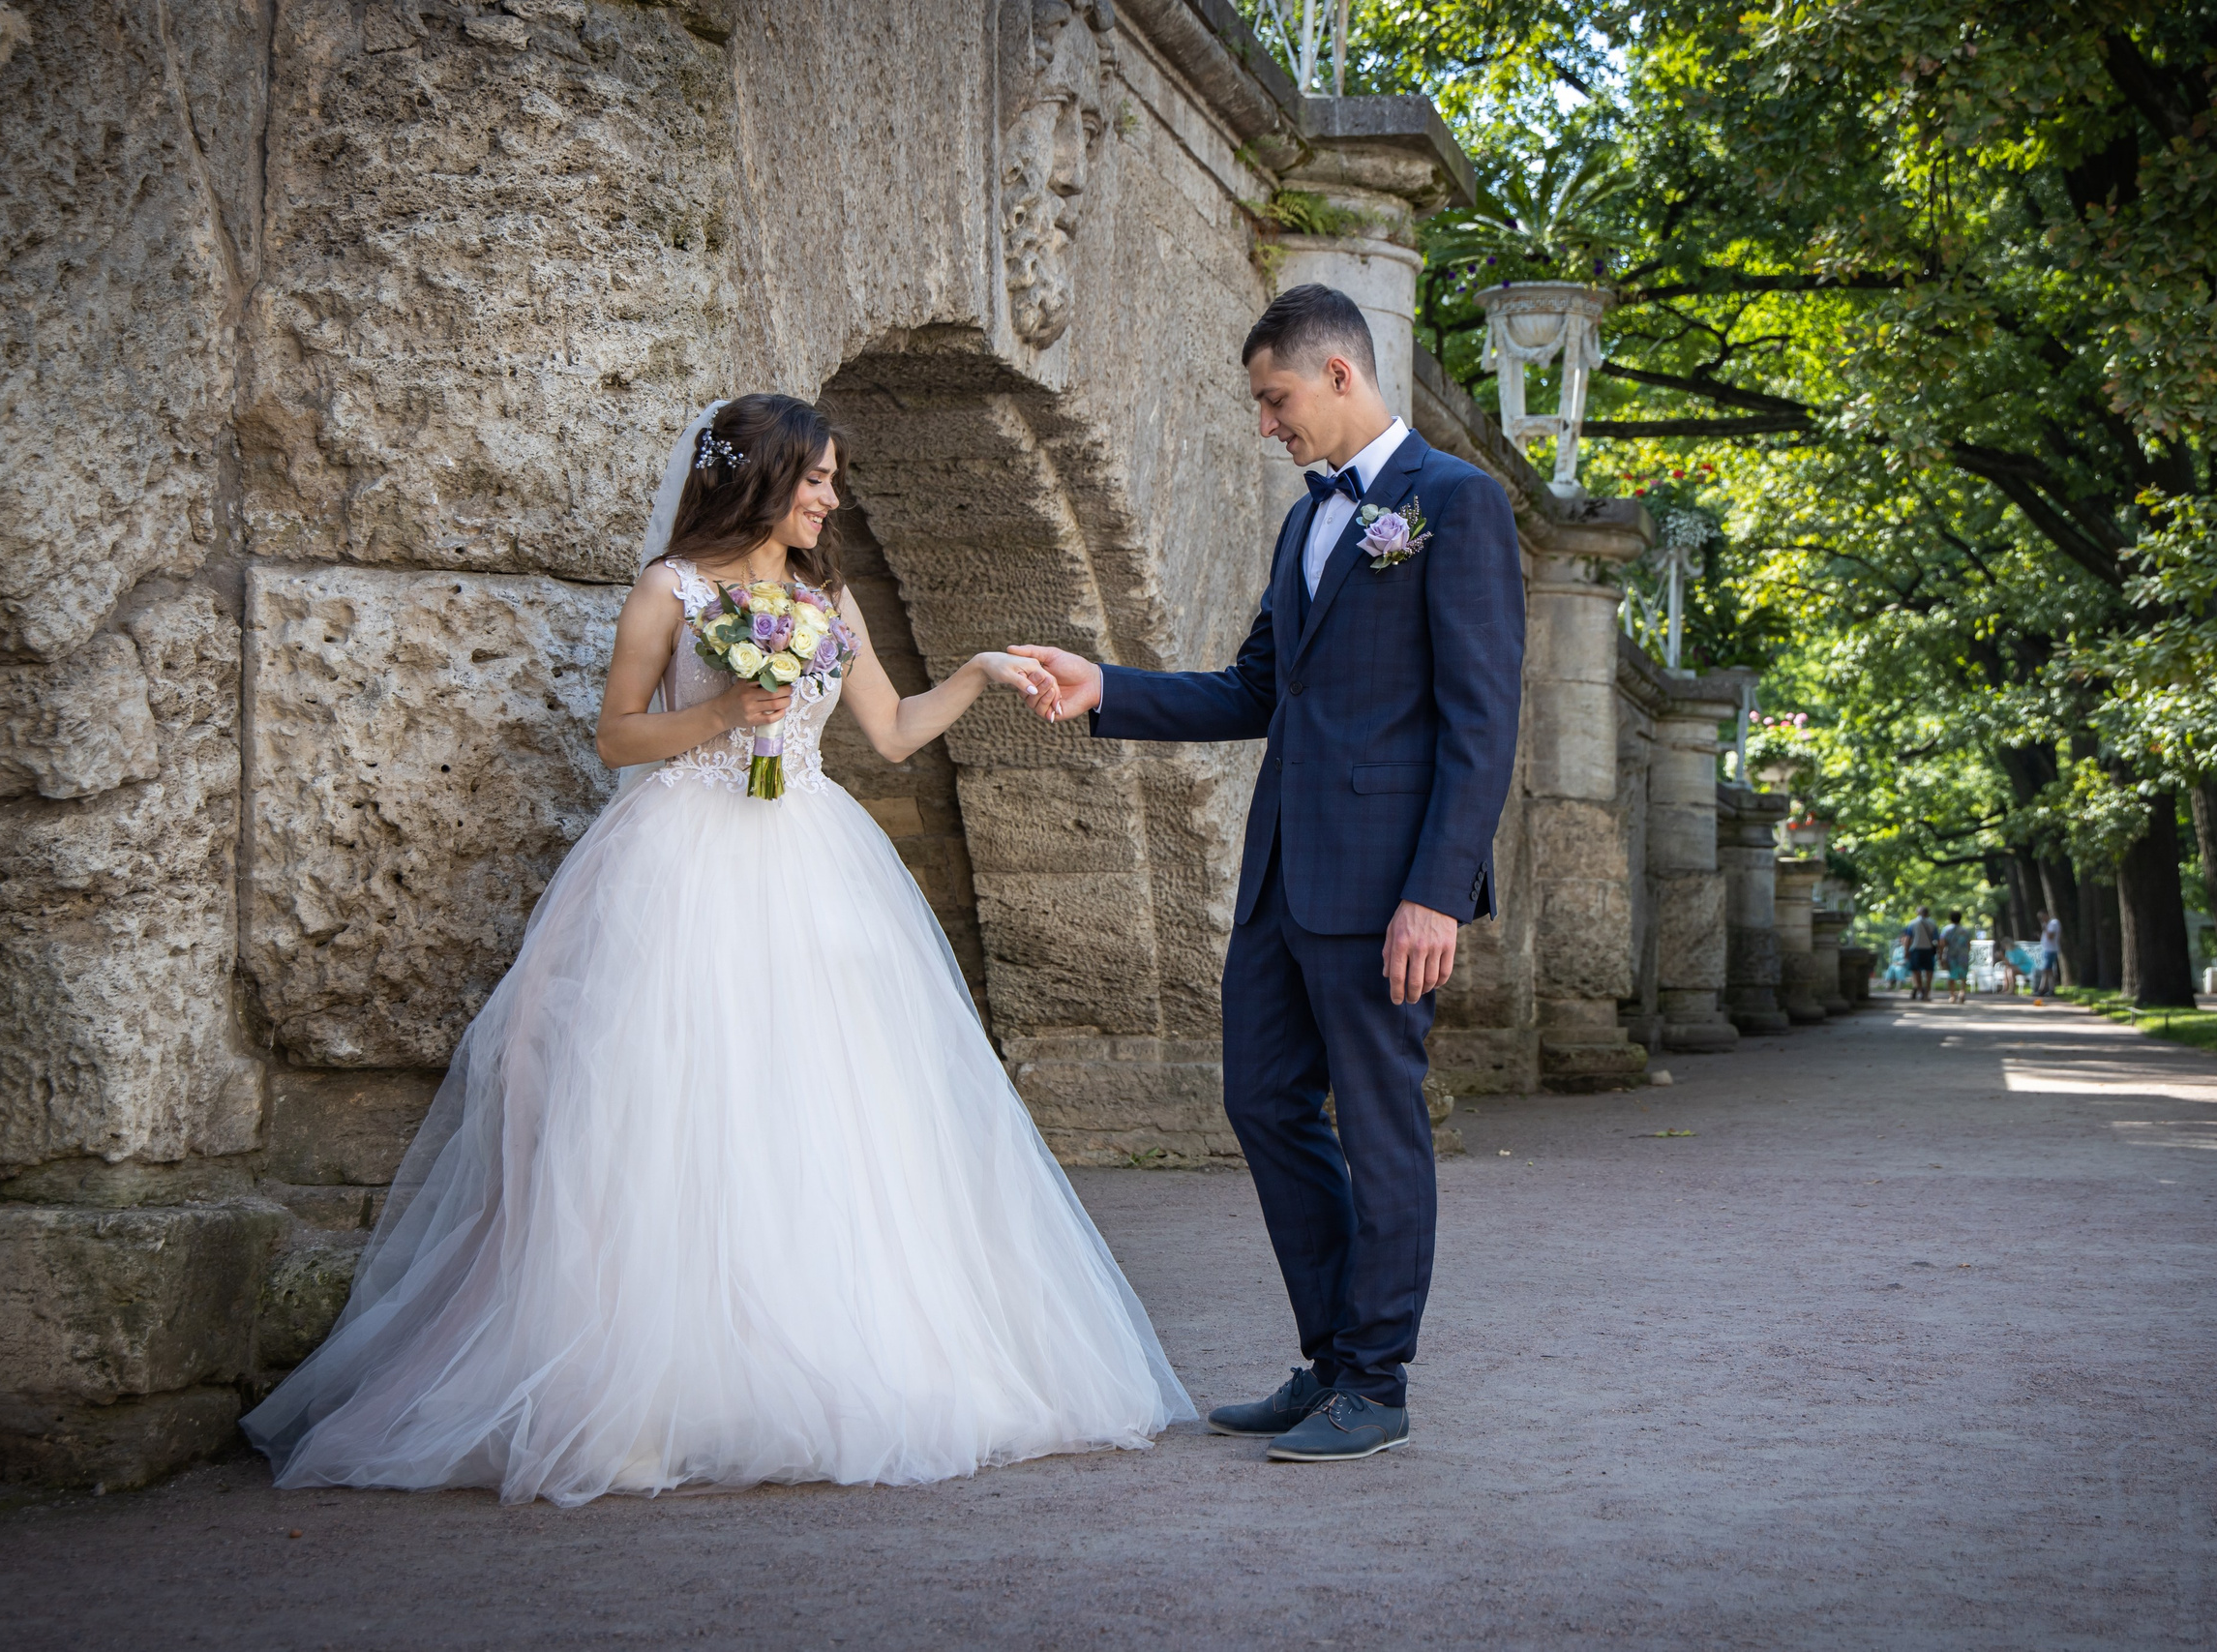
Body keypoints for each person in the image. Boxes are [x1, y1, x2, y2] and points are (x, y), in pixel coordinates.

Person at [241, 395, 1194, 1506]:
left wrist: (978, 671)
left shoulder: (825, 594)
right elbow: (615, 737)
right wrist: (723, 714)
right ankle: (643, 1394)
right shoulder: (671, 589)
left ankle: (839, 1358)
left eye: (833, 480)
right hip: (684, 859)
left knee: (830, 1106)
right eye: (818, 480)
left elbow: (885, 732)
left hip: (812, 855)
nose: (832, 499)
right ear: (764, 480)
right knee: (670, 1110)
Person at [1016, 285, 1522, 1463]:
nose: (1266, 423)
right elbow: (1255, 690)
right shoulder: (1307, 526)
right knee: (1261, 1103)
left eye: (1274, 398)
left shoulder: (1457, 504)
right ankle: (1330, 1358)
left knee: (1382, 1123)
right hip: (1282, 882)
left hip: (1389, 889)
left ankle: (1377, 1382)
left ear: (1339, 374)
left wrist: (1437, 890)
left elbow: (1481, 720)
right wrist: (1108, 687)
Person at [1902, 907, 1939, 1001]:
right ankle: (1927, 992)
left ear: (1917, 913)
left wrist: (1906, 951)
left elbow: (1908, 938)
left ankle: (1920, 989)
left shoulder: (1913, 923)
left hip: (1916, 949)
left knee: (1916, 971)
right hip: (1929, 949)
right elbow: (1937, 939)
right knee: (1929, 972)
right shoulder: (1933, 923)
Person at [1938, 911, 1972, 1005]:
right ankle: (1962, 992)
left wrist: (1941, 956)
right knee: (1963, 974)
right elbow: (1969, 944)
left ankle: (1952, 995)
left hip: (1952, 954)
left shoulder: (1946, 930)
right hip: (1963, 954)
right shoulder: (1965, 930)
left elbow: (1942, 943)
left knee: (1952, 974)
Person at [2035, 908, 2063, 995]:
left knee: (2047, 969)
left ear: (2046, 915)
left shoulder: (2053, 923)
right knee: (2048, 970)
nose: (2041, 920)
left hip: (2051, 950)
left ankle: (2044, 989)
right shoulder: (2048, 924)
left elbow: (2050, 936)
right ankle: (2047, 989)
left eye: (2042, 917)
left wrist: (2045, 928)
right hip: (2046, 949)